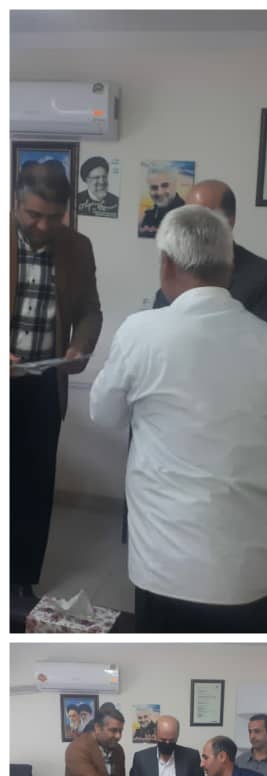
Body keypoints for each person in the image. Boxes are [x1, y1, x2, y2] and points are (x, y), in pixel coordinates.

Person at [89, 204, 267, 632]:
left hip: (172, 571)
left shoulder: (141, 332)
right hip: (266, 572)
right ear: (231, 265)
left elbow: (104, 413)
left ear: (166, 265)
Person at [10, 160, 102, 600]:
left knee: (34, 485)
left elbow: (89, 310)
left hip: (44, 383)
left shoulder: (77, 247)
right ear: (15, 203)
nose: (44, 225)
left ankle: (20, 578)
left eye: (54, 216)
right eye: (34, 215)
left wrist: (80, 345)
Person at [153, 179, 267, 331]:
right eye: (186, 215)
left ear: (229, 221)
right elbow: (157, 325)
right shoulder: (174, 267)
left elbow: (266, 340)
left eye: (202, 217)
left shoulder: (266, 279)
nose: (190, 225)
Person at [138, 165, 186, 238]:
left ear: (175, 185)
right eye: (154, 187)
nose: (160, 192)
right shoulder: (148, 216)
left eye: (165, 185)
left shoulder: (186, 215)